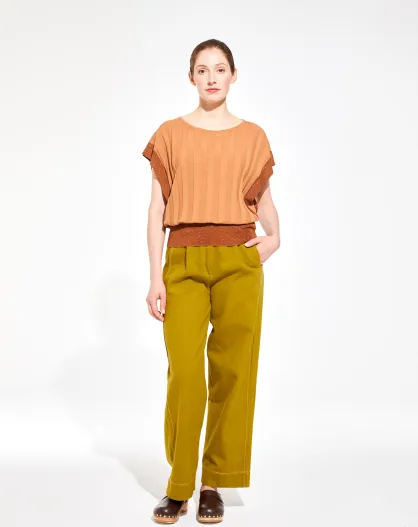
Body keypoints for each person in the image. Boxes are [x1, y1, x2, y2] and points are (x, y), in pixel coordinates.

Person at [143, 39, 281, 524]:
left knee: (232, 371)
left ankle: (212, 483)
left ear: (233, 75)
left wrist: (275, 237)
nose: (211, 78)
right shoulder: (169, 134)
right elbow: (157, 209)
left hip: (238, 260)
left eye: (220, 69)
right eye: (202, 70)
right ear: (191, 78)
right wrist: (155, 277)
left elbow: (263, 200)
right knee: (185, 373)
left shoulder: (253, 136)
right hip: (181, 259)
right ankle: (179, 483)